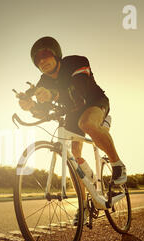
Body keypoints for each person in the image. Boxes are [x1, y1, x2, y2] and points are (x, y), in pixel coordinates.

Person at [18, 36, 127, 224]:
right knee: (73, 154)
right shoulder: (43, 81)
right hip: (72, 114)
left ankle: (118, 165)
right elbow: (43, 110)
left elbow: (80, 93)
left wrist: (53, 94)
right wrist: (31, 106)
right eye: (37, 59)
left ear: (56, 54)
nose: (42, 61)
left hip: (93, 102)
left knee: (86, 123)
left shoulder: (76, 62)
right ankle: (84, 203)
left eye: (45, 55)